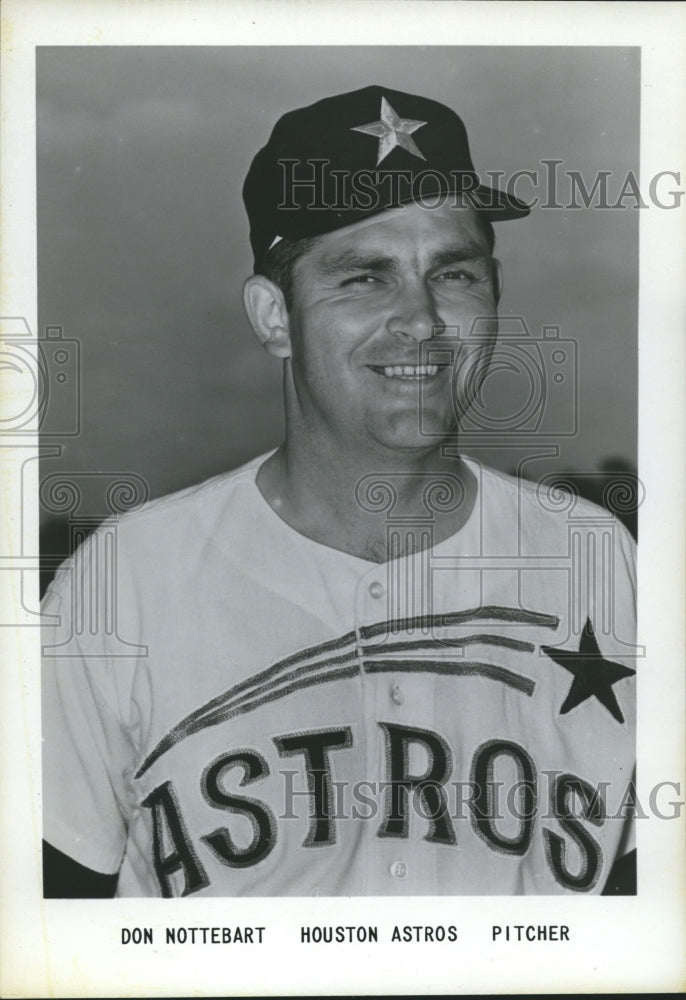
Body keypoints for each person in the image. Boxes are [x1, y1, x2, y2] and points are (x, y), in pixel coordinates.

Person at [42, 85, 637, 898]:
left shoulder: (602, 561)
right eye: (365, 278)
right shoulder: (123, 585)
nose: (422, 320)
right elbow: (50, 938)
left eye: (454, 273)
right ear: (274, 316)